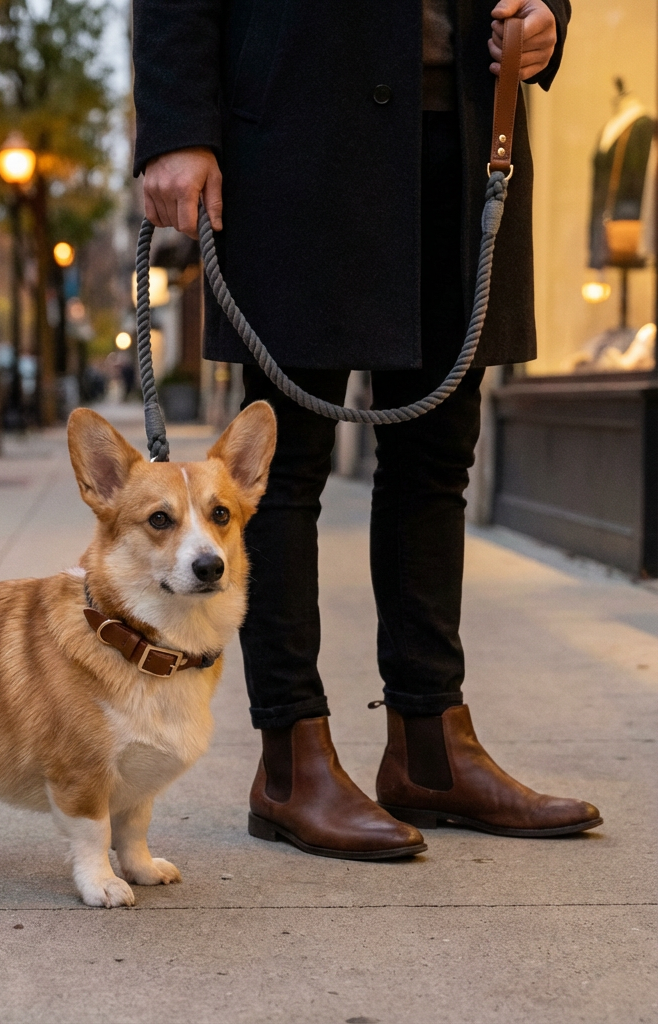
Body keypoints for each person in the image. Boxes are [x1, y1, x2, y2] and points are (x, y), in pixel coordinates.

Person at [132, 0, 602, 859]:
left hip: (464, 130)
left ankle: (431, 747)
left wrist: (548, 13)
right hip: (299, 135)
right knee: (281, 475)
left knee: (437, 463)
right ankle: (289, 764)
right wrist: (173, 126)